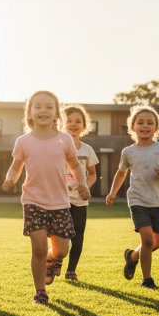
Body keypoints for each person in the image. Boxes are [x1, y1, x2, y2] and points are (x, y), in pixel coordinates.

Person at [2, 91, 89, 305]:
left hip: (59, 203)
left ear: (56, 114)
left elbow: (76, 165)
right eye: (38, 106)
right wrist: (10, 179)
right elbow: (15, 167)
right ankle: (40, 292)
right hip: (33, 201)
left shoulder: (65, 140)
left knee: (61, 251)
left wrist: (82, 184)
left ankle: (53, 260)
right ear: (29, 113)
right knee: (39, 248)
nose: (43, 110)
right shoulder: (24, 141)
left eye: (49, 107)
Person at [105, 104, 159, 290]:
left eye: (150, 123)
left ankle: (132, 257)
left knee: (155, 243)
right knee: (147, 240)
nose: (145, 126)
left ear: (156, 128)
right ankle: (147, 280)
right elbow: (121, 174)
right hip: (137, 200)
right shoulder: (128, 152)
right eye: (141, 122)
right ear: (132, 126)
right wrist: (112, 193)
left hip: (158, 200)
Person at [59, 104, 99, 281]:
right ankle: (55, 260)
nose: (73, 124)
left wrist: (86, 187)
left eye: (78, 121)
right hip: (59, 199)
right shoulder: (56, 146)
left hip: (79, 201)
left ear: (84, 125)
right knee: (60, 235)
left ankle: (71, 270)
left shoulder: (87, 150)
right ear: (62, 123)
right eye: (69, 120)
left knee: (77, 236)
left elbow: (93, 174)